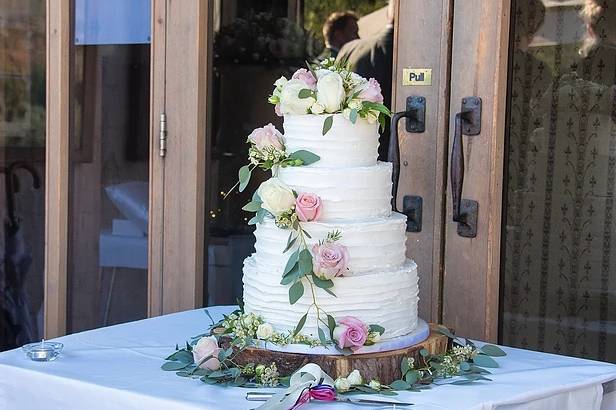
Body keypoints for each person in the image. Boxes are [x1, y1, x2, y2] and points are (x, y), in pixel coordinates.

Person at [336, 1, 394, 160]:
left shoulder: (349, 49)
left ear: (388, 13)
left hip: (350, 154)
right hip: (386, 151)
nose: (358, 35)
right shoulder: (398, 49)